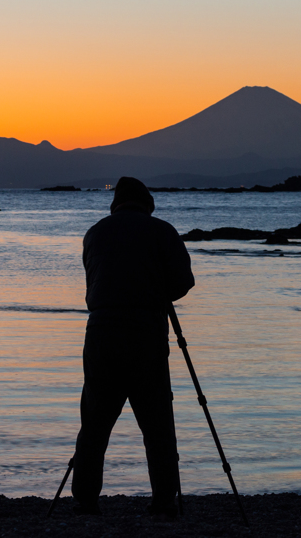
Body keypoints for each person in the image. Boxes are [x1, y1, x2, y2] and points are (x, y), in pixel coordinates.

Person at [71, 176, 195, 518]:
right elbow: (183, 282)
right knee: (156, 422)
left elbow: (93, 278)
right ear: (148, 204)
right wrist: (156, 289)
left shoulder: (95, 232)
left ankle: (84, 499)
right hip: (145, 332)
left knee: (95, 420)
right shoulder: (162, 231)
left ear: (116, 205)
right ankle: (164, 500)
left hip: (100, 332)